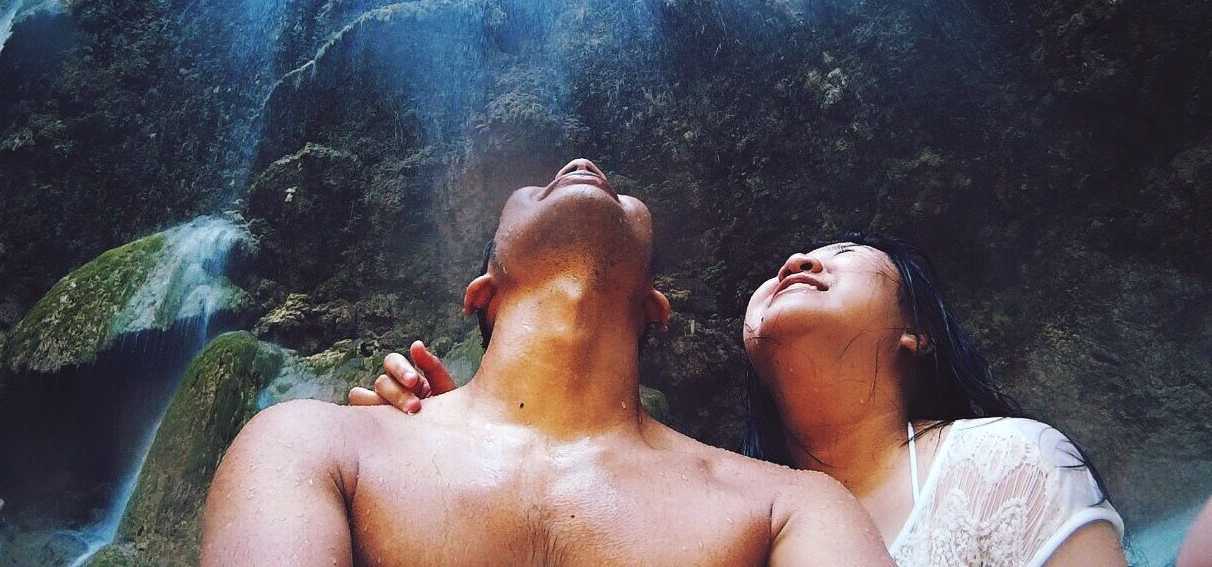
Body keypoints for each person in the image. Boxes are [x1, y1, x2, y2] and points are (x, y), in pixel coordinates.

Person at [200, 159, 894, 567]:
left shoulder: (791, 508)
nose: (580, 166)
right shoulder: (309, 444)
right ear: (484, 292)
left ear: (656, 305)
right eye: (538, 182)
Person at [355, 233, 1127, 567]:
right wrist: (465, 460)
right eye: (793, 261)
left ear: (915, 331)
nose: (799, 259)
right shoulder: (725, 517)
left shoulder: (1007, 462)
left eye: (844, 256)